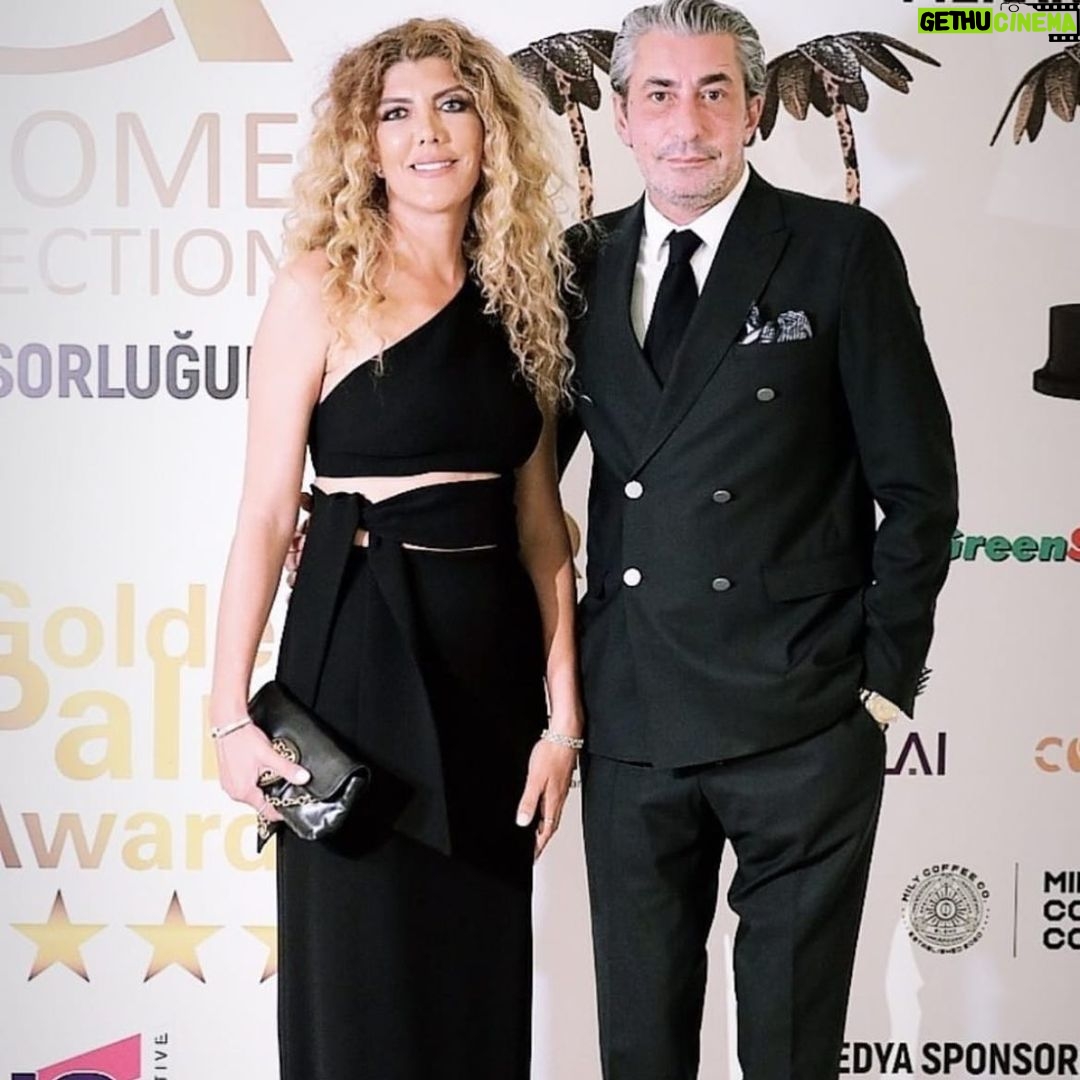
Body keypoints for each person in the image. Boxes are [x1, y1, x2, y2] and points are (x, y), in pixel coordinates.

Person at [557, 2, 959, 1078]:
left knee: (788, 1050)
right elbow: (519, 475)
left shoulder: (839, 251)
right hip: (631, 709)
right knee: (640, 1046)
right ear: (623, 116)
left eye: (713, 93)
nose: (686, 124)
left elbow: (918, 487)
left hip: (802, 715)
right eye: (659, 95)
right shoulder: (575, 264)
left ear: (754, 111)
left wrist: (881, 684)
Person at [207, 18, 583, 1080]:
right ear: (364, 144)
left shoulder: (527, 298)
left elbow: (544, 530)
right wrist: (229, 716)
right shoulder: (318, 285)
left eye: (453, 106)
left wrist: (562, 724)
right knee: (358, 981)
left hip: (490, 683)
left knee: (474, 989)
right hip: (352, 672)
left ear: (490, 131)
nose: (428, 134)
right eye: (397, 113)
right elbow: (264, 515)